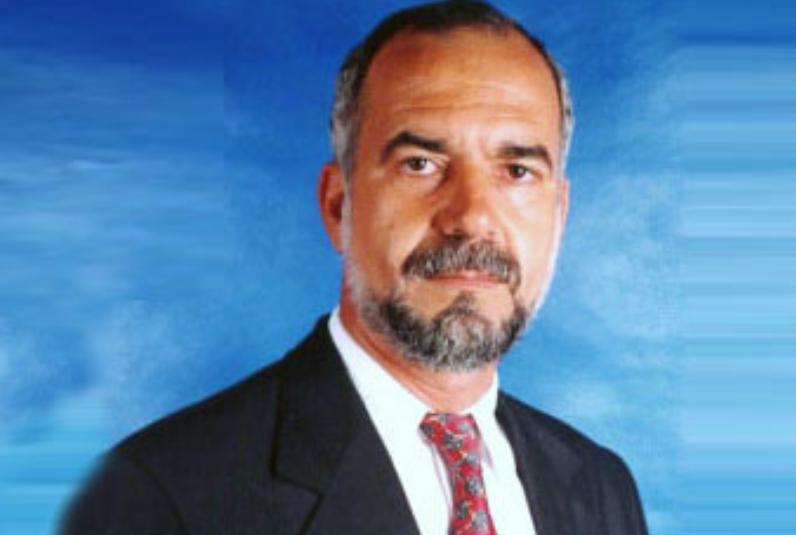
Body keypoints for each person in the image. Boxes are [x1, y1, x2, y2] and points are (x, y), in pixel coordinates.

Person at [61, 1, 649, 534]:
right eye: (420, 164)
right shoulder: (162, 496)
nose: (472, 217)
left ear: (559, 213)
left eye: (517, 171)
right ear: (338, 205)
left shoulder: (600, 488)